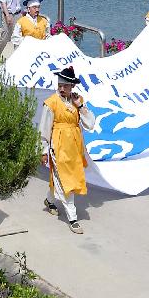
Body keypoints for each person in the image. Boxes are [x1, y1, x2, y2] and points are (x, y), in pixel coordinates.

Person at [39, 66, 96, 234]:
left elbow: (90, 124)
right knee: (66, 180)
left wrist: (81, 106)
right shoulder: (52, 103)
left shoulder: (77, 101)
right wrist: (43, 150)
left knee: (63, 177)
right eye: (60, 84)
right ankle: (72, 217)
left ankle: (49, 201)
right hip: (59, 146)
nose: (61, 88)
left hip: (74, 147)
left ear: (72, 86)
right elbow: (44, 128)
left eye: (65, 85)